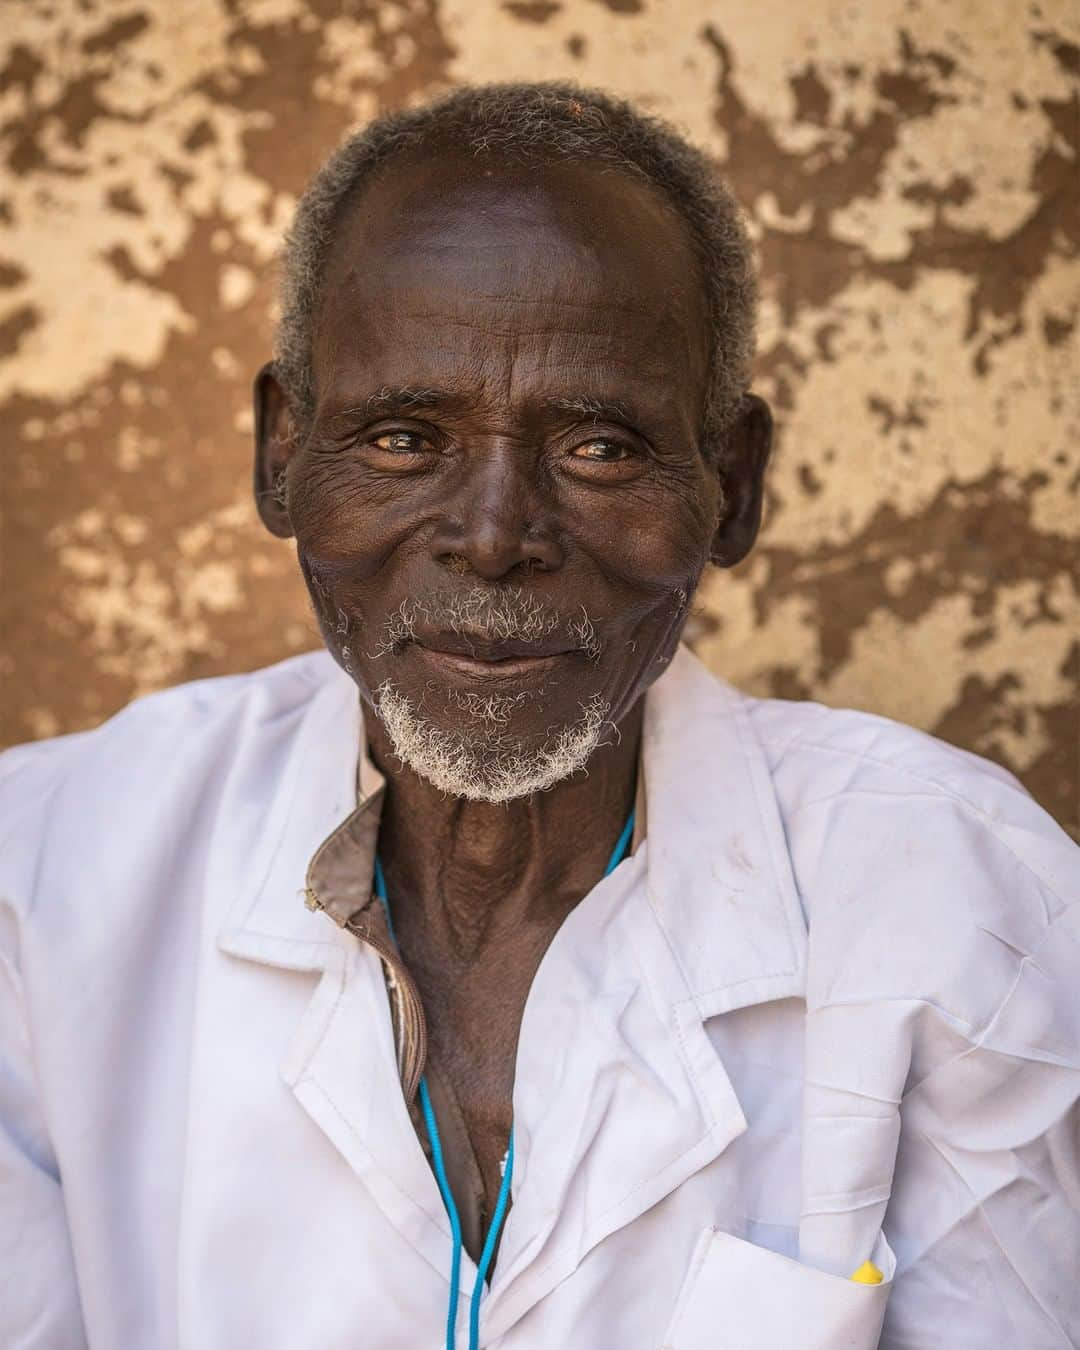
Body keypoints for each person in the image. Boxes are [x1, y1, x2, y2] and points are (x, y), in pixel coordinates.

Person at [1, 81, 1077, 1350]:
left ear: (729, 489)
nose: (496, 537)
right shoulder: (45, 877)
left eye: (601, 449)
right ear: (282, 457)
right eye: (404, 438)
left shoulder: (955, 897)